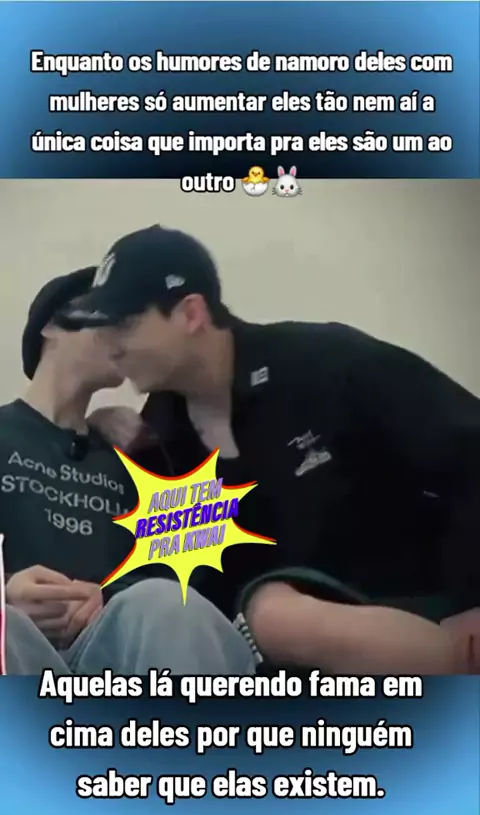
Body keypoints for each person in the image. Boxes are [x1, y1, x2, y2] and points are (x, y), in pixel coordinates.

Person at [58, 226, 480, 674]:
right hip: (288, 674)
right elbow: (179, 580)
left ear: (191, 313)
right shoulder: (160, 441)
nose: (111, 348)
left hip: (430, 614)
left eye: (125, 324)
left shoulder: (324, 364)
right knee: (266, 611)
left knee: (272, 611)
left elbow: (469, 452)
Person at [1, 267, 255, 675]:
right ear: (50, 326)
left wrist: (106, 595)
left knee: (165, 603)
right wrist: (7, 589)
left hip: (117, 658)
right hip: (20, 656)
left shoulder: (137, 453)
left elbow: (183, 568)